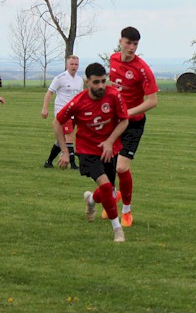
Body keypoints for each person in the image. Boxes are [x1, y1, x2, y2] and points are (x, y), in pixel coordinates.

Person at [55, 62, 129, 243]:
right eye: (96, 82)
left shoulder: (114, 96)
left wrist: (110, 142)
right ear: (87, 81)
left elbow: (124, 121)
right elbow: (57, 122)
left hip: (109, 150)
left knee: (109, 191)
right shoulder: (78, 102)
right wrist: (65, 151)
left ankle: (90, 200)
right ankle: (117, 229)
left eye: (104, 81)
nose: (101, 86)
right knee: (105, 186)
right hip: (87, 150)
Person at [107, 26, 158, 228]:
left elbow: (153, 101)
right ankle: (112, 198)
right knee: (108, 165)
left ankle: (126, 210)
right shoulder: (112, 59)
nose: (131, 48)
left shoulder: (142, 69)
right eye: (128, 43)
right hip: (114, 122)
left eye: (135, 44)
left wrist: (128, 113)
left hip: (133, 123)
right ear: (120, 41)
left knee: (121, 167)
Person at [41, 55, 84, 169]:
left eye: (76, 64)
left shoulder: (80, 79)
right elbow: (49, 93)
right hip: (63, 112)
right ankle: (73, 164)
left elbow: (80, 97)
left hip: (75, 112)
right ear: (67, 65)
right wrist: (45, 109)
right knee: (69, 136)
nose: (74, 66)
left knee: (62, 139)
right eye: (71, 64)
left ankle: (49, 161)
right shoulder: (60, 78)